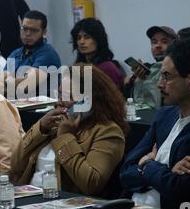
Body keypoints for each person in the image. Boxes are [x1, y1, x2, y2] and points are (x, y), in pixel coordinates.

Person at [120, 37, 190, 209]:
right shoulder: (164, 115)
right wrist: (166, 170)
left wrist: (147, 164)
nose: (159, 84)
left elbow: (181, 187)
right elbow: (126, 172)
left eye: (167, 77)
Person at [10, 65, 128, 197]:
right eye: (59, 94)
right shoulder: (52, 125)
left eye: (68, 96)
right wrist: (40, 128)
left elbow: (91, 183)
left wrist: (65, 137)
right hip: (31, 197)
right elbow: (14, 165)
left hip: (64, 203)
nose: (60, 101)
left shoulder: (108, 132)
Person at [0, 10, 61, 97]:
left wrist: (7, 81)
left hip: (43, 109)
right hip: (17, 106)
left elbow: (25, 86)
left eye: (33, 30)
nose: (28, 33)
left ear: (44, 32)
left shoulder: (48, 53)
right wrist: (13, 82)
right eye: (24, 29)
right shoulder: (15, 54)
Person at [123, 26, 176, 109]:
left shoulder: (176, 72)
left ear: (174, 45)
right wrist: (132, 82)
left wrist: (144, 81)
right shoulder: (148, 68)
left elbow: (156, 107)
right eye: (154, 42)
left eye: (164, 41)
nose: (157, 46)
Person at [71, 18, 124, 89]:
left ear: (98, 39)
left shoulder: (108, 68)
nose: (81, 42)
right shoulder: (80, 65)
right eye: (79, 38)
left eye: (87, 37)